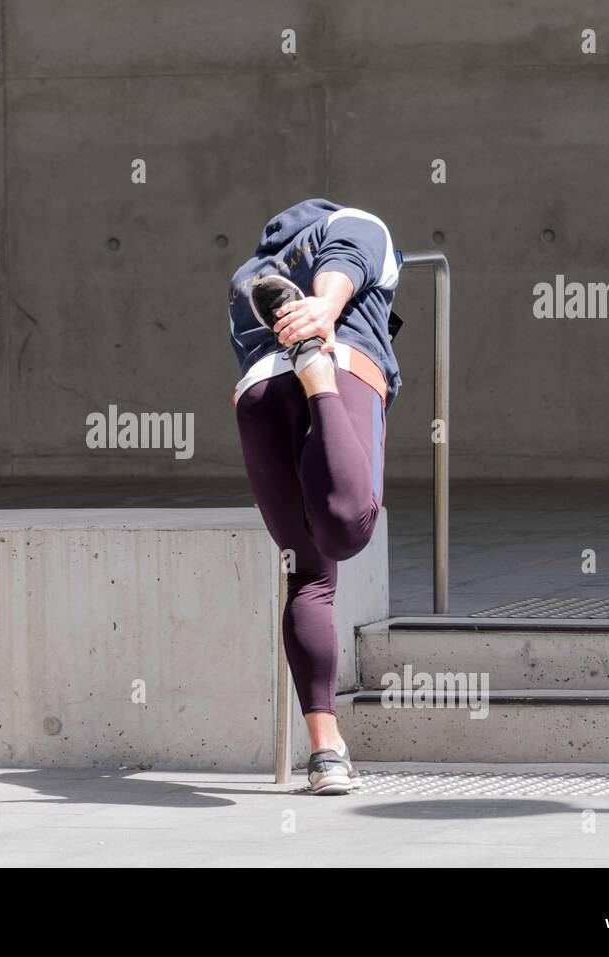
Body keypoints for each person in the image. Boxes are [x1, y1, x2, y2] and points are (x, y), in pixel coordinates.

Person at [228, 198, 402, 794]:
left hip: (256, 394)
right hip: (338, 366)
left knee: (309, 576)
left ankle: (327, 751)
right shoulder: (358, 222)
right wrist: (325, 313)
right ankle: (319, 380)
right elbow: (347, 259)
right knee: (347, 527)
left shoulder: (248, 276)